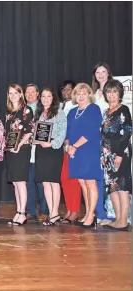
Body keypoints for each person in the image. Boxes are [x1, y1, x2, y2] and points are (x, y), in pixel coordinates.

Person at [65, 83, 101, 228]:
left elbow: (91, 131)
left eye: (84, 93)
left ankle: (91, 215)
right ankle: (87, 213)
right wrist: (68, 146)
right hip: (74, 152)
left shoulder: (93, 109)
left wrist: (75, 146)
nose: (81, 96)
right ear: (74, 96)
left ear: (89, 95)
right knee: (82, 182)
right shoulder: (72, 112)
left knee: (90, 183)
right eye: (78, 93)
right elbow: (67, 133)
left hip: (88, 150)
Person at [101, 79, 132, 231]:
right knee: (112, 187)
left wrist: (119, 155)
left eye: (114, 92)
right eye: (109, 91)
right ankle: (118, 219)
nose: (111, 95)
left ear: (120, 93)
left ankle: (124, 221)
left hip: (121, 153)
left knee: (122, 186)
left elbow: (127, 132)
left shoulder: (123, 109)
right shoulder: (106, 112)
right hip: (107, 154)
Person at [34, 88, 67, 226]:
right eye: (43, 96)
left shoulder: (59, 113)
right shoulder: (39, 114)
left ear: (53, 98)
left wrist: (52, 143)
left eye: (49, 96)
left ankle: (55, 213)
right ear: (40, 98)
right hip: (41, 151)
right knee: (45, 182)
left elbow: (62, 133)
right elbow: (36, 132)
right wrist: (35, 140)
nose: (46, 98)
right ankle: (50, 212)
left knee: (53, 182)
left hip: (53, 150)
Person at [5, 84, 34, 226]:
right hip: (11, 151)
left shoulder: (26, 110)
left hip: (22, 150)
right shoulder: (10, 113)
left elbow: (29, 131)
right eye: (10, 93)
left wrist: (19, 145)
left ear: (21, 94)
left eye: (16, 93)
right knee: (15, 183)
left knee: (21, 182)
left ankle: (23, 213)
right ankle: (18, 211)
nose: (13, 95)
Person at [92, 62, 114, 225]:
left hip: (109, 140)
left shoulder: (113, 91)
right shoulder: (94, 93)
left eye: (103, 71)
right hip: (95, 139)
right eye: (98, 72)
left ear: (108, 73)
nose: (100, 74)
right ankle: (99, 211)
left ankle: (111, 213)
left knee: (110, 176)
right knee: (97, 176)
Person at [58, 80, 81, 224]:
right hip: (62, 147)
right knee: (64, 180)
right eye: (63, 89)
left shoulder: (77, 107)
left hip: (74, 148)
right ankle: (69, 209)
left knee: (74, 180)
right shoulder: (59, 106)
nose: (66, 91)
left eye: (69, 89)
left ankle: (75, 210)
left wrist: (72, 145)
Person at [24, 84, 48, 222]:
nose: (30, 94)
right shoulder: (22, 110)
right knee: (28, 182)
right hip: (26, 152)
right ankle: (30, 210)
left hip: (41, 151)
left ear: (38, 94)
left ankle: (44, 210)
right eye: (28, 92)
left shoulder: (43, 109)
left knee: (42, 182)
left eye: (33, 92)